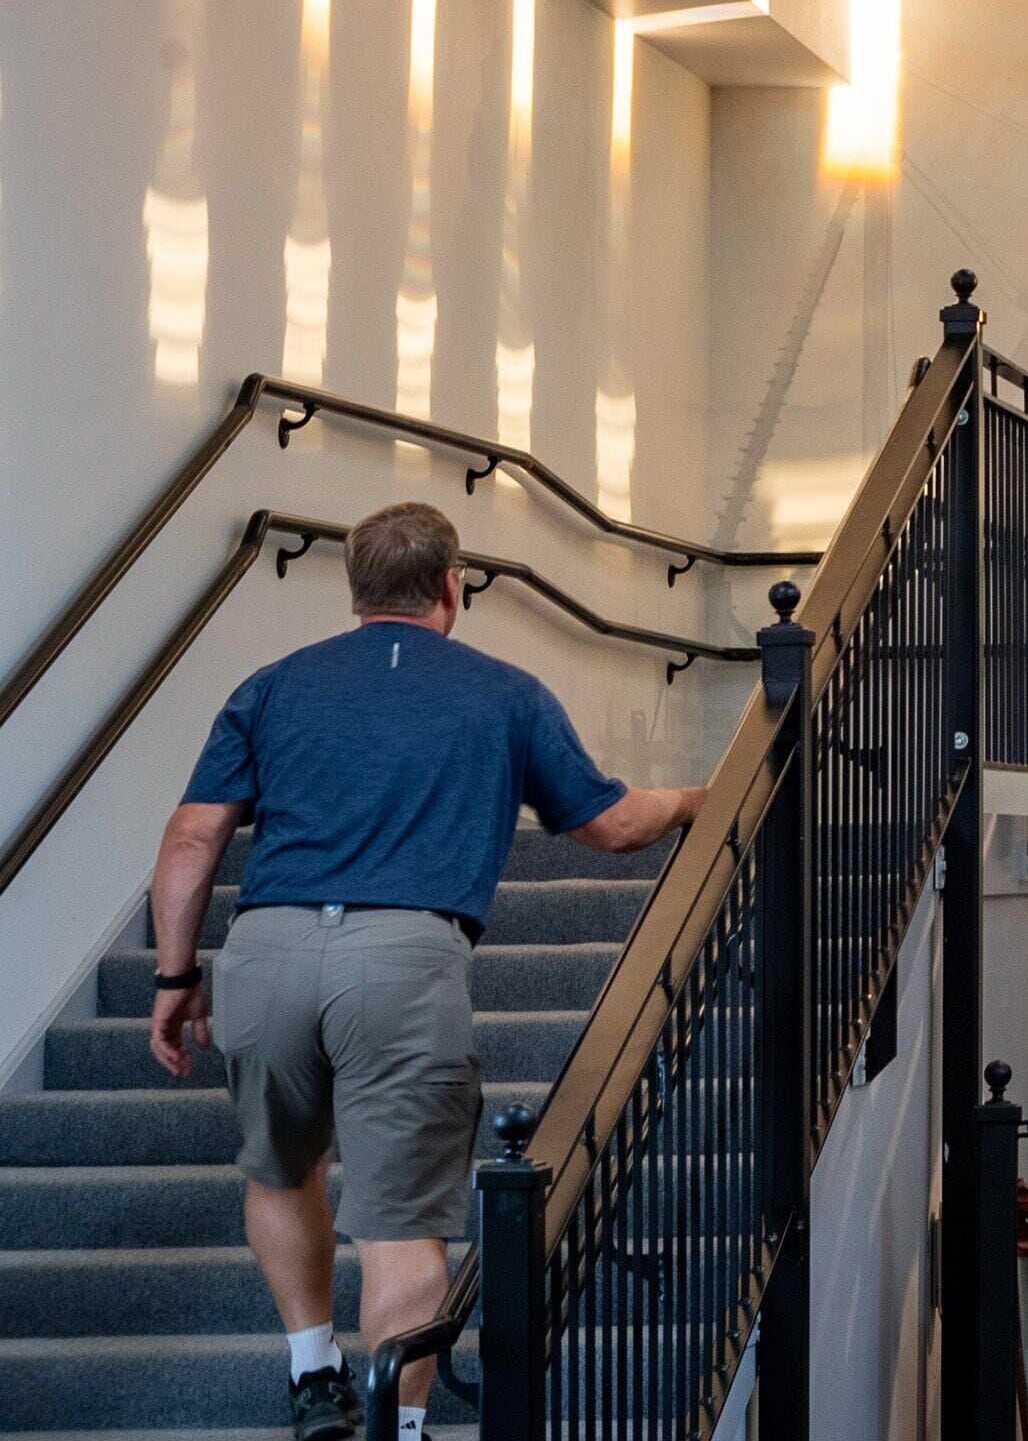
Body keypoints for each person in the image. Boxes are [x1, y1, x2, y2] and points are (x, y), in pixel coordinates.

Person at [142, 504, 703, 1441]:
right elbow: (613, 826)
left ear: (355, 591)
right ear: (454, 586)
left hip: (267, 946)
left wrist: (171, 979)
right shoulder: (507, 693)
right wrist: (694, 797)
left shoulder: (274, 686)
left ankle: (312, 1371)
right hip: (403, 961)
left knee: (282, 1170)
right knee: (400, 1223)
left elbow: (195, 833)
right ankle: (395, 1432)